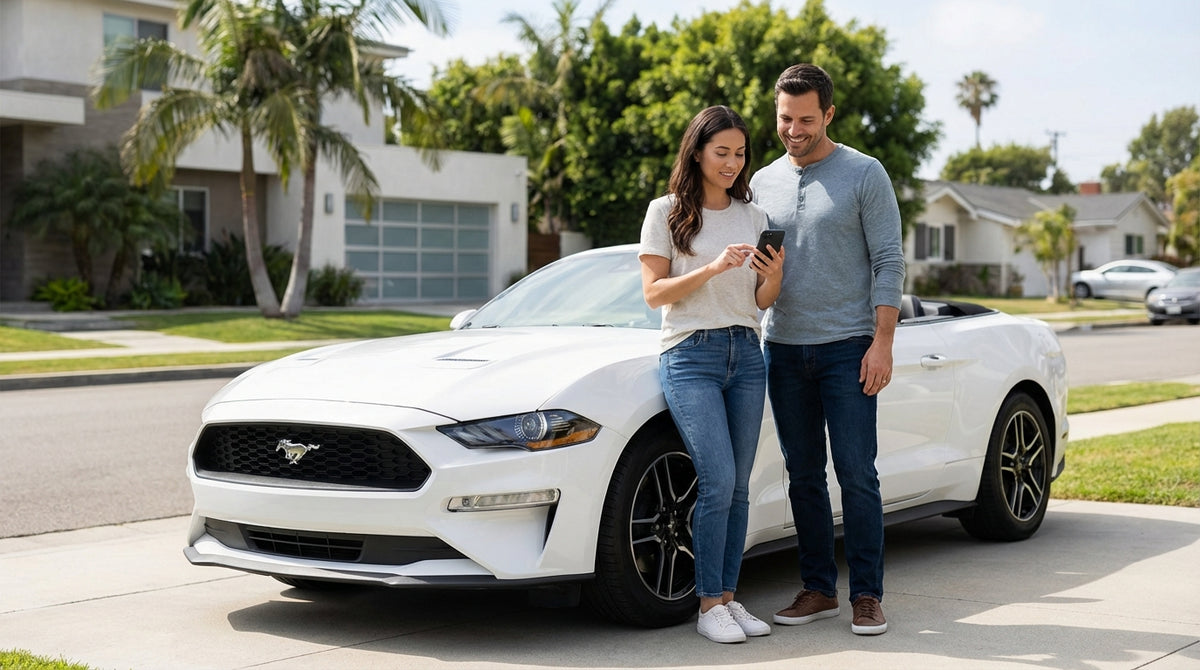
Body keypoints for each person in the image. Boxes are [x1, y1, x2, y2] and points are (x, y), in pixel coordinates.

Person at [748, 63, 905, 636]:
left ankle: (867, 594)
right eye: (785, 118)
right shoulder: (761, 182)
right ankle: (818, 589)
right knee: (803, 475)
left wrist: (882, 342)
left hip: (848, 348)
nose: (793, 129)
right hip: (783, 349)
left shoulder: (865, 173)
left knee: (857, 473)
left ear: (829, 114)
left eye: (806, 119)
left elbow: (889, 260)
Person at [639, 105, 785, 644]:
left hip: (746, 352)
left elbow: (762, 301)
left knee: (739, 486)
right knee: (718, 478)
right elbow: (655, 294)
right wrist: (713, 266)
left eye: (740, 153)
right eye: (721, 152)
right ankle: (706, 605)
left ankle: (728, 596)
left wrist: (774, 275)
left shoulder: (753, 215)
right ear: (697, 151)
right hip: (690, 356)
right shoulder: (667, 211)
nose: (731, 162)